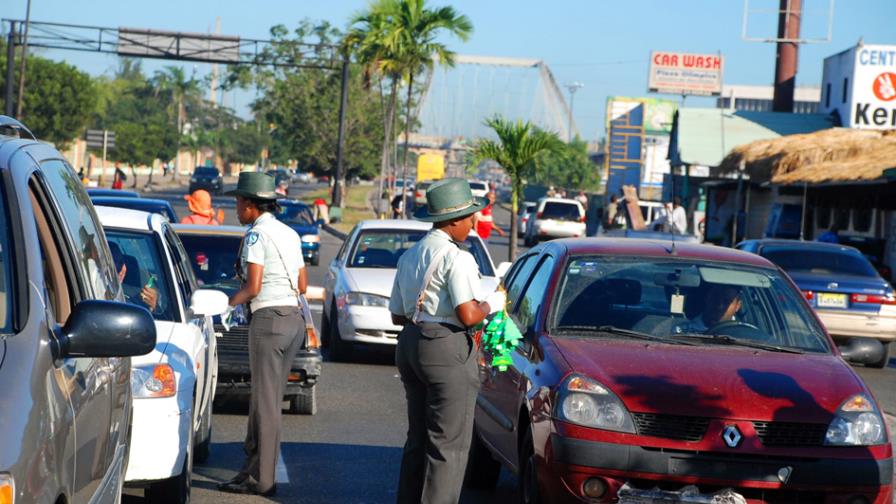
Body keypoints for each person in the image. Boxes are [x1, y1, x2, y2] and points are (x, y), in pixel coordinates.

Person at [389, 178, 506, 504]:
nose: (473, 223)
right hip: (445, 348)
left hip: (411, 343)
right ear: (453, 220)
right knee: (448, 446)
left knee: (419, 438)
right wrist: (493, 303)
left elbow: (397, 315)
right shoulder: (458, 258)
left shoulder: (410, 255)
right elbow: (468, 314)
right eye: (470, 217)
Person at [218, 172, 307, 497]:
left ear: (252, 205)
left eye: (239, 203)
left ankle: (262, 480)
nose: (236, 209)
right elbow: (303, 286)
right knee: (265, 401)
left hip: (268, 320)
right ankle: (250, 469)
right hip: (292, 321)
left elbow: (253, 287)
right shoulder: (289, 233)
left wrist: (226, 303)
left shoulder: (256, 237)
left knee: (266, 405)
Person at [108, 241, 159, 312]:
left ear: (124, 269)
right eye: (110, 265)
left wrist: (153, 307)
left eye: (118, 263)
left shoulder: (142, 296)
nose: (115, 270)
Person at [676, 284, 742, 334]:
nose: (719, 306)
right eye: (715, 298)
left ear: (737, 306)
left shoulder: (745, 334)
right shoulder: (682, 332)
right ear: (707, 298)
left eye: (726, 301)